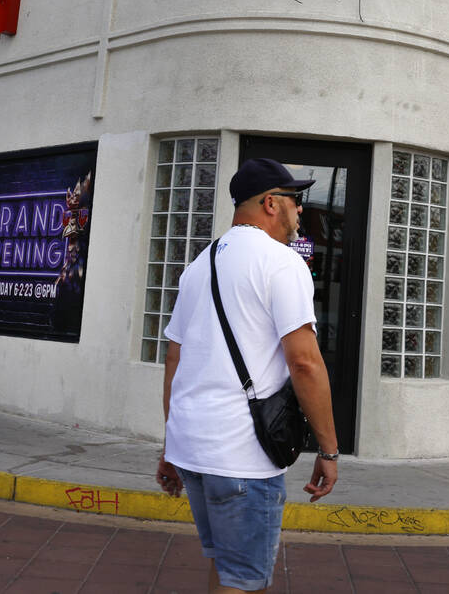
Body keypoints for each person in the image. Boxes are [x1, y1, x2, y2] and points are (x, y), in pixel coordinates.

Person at [157, 159, 339, 593]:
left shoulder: (199, 265)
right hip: (242, 455)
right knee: (243, 581)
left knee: (227, 567)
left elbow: (173, 359)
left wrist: (171, 445)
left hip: (194, 448)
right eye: (296, 201)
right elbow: (305, 363)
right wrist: (329, 451)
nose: (300, 212)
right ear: (271, 203)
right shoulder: (281, 263)